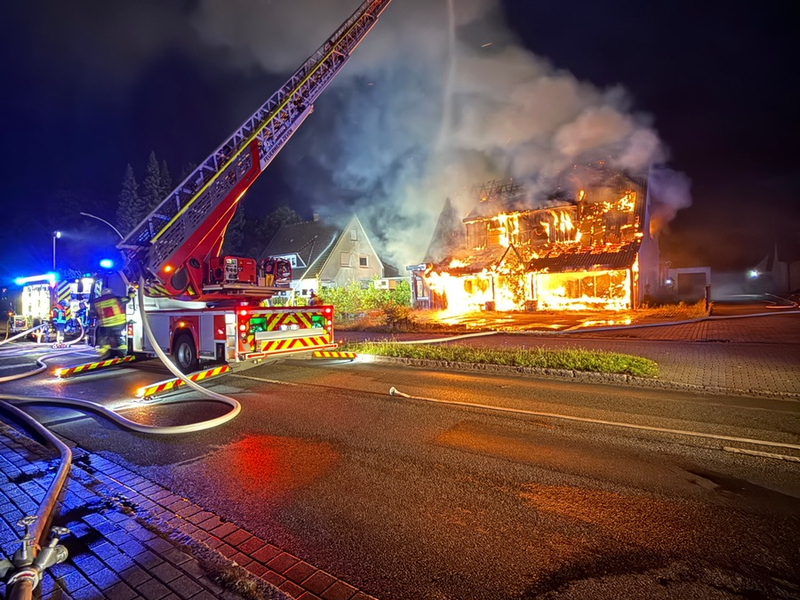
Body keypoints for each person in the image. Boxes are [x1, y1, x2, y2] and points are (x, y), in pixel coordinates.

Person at [91, 287, 128, 360]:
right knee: (119, 337)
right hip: (119, 323)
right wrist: (131, 294)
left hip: (105, 325)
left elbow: (93, 313)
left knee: (104, 340)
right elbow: (127, 299)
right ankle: (122, 354)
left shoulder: (96, 302)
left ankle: (105, 354)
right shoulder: (116, 299)